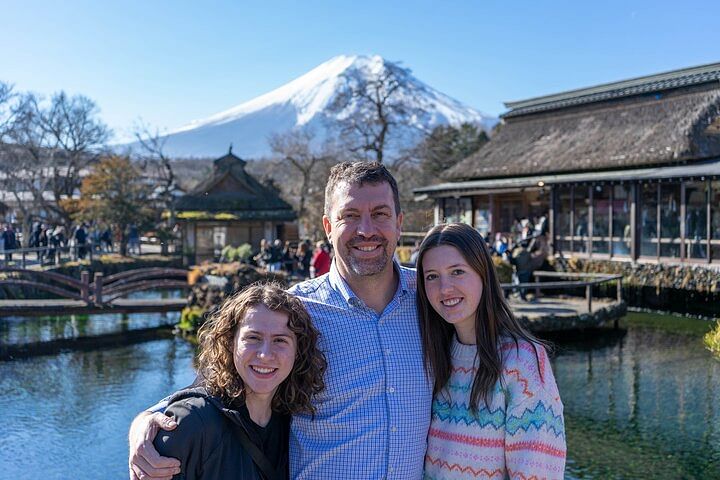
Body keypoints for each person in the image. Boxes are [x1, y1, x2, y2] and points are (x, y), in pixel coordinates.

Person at [129, 161, 432, 479]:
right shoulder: (297, 312)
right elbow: (222, 378)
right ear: (328, 227)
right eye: (350, 216)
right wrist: (148, 419)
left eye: (380, 214)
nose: (366, 230)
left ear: (399, 223)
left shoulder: (430, 300)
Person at [416, 223, 566, 479]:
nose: (444, 288)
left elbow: (537, 472)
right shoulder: (433, 354)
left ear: (483, 273)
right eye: (432, 276)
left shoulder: (522, 362)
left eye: (457, 272)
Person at [153, 283, 326, 480]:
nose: (265, 354)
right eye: (253, 337)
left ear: (298, 351)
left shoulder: (293, 424)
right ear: (230, 343)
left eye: (280, 340)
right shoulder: (190, 422)